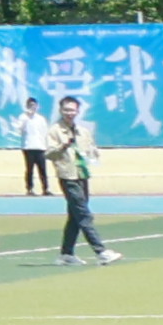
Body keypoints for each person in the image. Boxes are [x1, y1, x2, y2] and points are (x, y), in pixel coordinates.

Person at [52, 93, 113, 264]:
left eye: (72, 110)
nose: (69, 113)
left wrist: (93, 154)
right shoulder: (55, 130)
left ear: (78, 111)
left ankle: (66, 254)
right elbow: (48, 154)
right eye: (66, 110)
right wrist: (62, 146)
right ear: (60, 110)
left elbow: (90, 149)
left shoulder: (82, 131)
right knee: (84, 214)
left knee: (75, 215)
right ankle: (100, 251)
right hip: (68, 176)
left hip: (82, 174)